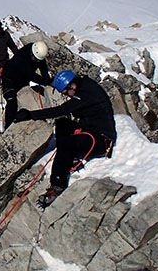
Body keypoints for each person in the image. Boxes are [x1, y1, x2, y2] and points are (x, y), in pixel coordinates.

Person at [13, 69, 116, 208]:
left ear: (72, 85)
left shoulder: (85, 93)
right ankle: (67, 157)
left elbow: (62, 110)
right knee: (62, 124)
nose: (67, 95)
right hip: (90, 130)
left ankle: (57, 186)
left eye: (66, 92)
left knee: (67, 144)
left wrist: (30, 114)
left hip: (101, 140)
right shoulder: (84, 85)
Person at [0, 41, 51, 129]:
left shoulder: (38, 53)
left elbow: (43, 67)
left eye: (38, 60)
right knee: (12, 102)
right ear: (32, 53)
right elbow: (31, 75)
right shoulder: (22, 56)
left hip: (22, 81)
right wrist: (46, 81)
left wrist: (47, 78)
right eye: (35, 59)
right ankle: (8, 127)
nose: (36, 61)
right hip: (9, 79)